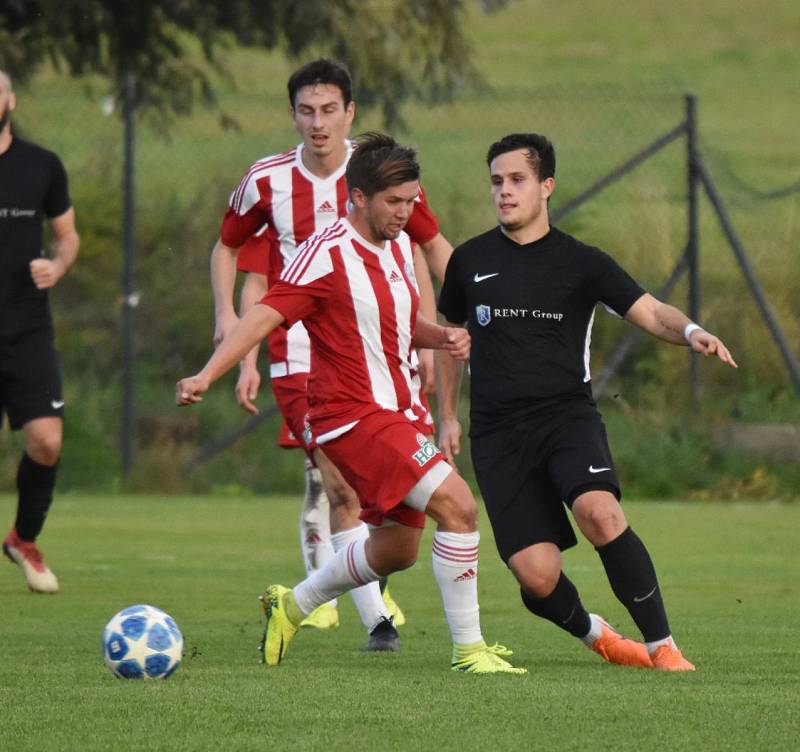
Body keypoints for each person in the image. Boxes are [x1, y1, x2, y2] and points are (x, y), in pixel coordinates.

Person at [179, 132, 525, 675]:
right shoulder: (324, 255)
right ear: (357, 197)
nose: (406, 213)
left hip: (401, 409)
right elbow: (264, 316)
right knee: (459, 506)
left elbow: (395, 323)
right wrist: (208, 373)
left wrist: (442, 338)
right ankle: (469, 651)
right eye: (395, 203)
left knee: (398, 549)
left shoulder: (392, 250)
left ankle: (290, 606)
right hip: (354, 416)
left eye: (412, 202)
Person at [436, 133, 738, 672]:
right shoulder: (469, 260)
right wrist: (446, 418)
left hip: (565, 417)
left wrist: (691, 330)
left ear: (546, 186)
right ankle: (597, 634)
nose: (504, 192)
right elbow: (448, 340)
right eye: (497, 182)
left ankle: (663, 646)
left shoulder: (582, 262)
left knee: (599, 512)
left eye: (517, 181)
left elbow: (649, 311)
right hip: (498, 433)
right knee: (537, 575)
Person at [211, 58, 452, 648]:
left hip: (386, 348)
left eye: (328, 111)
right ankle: (377, 621)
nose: (317, 124)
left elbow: (424, 247)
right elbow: (231, 250)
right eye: (305, 111)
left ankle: (323, 593)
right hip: (301, 353)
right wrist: (227, 322)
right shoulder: (265, 180)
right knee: (338, 487)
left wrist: (440, 325)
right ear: (291, 115)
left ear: (350, 113)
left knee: (392, 503)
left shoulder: (378, 174)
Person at [0, 69, 80, 593]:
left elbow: (67, 237)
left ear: (9, 98)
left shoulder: (41, 164)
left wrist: (56, 266)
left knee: (47, 442)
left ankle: (22, 539)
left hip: (26, 327)